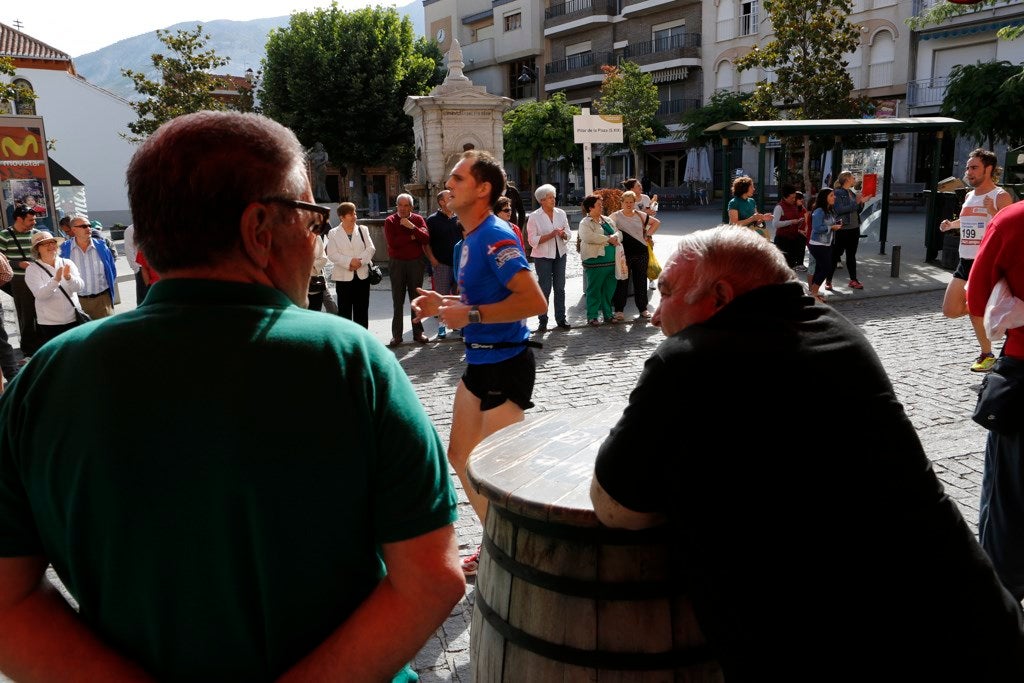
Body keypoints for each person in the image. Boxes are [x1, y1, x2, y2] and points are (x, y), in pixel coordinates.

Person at [0, 111, 465, 682]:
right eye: (311, 218)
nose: (316, 240)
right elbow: (432, 579)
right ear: (259, 229)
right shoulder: (350, 360)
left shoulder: (44, 379)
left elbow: (8, 605)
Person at [590, 225, 1024, 681]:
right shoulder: (840, 332)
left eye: (667, 291)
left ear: (719, 296)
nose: (656, 315)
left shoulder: (688, 359)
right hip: (973, 625)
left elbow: (616, 506)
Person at [411, 149, 547, 576]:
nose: (447, 185)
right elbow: (479, 301)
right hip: (478, 363)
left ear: (483, 189)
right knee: (460, 456)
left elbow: (532, 301)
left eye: (457, 179)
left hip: (507, 363)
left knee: (501, 472)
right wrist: (444, 304)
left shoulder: (497, 235)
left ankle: (520, 552)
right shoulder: (466, 240)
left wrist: (468, 315)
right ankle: (500, 544)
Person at [967, 199, 1024, 602]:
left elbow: (975, 298)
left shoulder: (1014, 221)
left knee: (1007, 502)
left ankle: (1003, 607)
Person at [941, 148, 1014, 372]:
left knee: (975, 308)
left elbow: (1012, 230)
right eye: (968, 168)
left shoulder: (1000, 196)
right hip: (965, 259)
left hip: (988, 262)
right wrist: (952, 225)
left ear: (989, 169)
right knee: (951, 309)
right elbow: (970, 222)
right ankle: (987, 311)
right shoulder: (969, 195)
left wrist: (994, 212)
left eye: (974, 168)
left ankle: (987, 353)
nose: (968, 172)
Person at [383, 193, 434, 346]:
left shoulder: (418, 220)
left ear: (412, 207)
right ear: (396, 206)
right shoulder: (390, 221)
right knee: (397, 300)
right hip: (397, 263)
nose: (403, 208)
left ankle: (418, 333)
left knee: (416, 300)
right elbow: (393, 243)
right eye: (400, 205)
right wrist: (413, 237)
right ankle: (397, 335)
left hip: (415, 263)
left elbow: (425, 238)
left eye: (406, 205)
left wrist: (412, 228)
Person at [24, 230, 84, 346]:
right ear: (37, 249)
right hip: (50, 323)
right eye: (45, 243)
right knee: (58, 357)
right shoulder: (32, 269)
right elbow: (40, 295)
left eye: (53, 242)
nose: (51, 246)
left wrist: (69, 278)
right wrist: (55, 280)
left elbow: (80, 287)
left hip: (74, 318)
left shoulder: (67, 262)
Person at [526, 184, 572, 333]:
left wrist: (563, 235)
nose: (553, 199)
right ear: (541, 200)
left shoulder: (561, 213)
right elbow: (532, 240)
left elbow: (569, 234)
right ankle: (543, 320)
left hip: (560, 254)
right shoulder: (534, 217)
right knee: (544, 289)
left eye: (553, 196)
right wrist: (551, 235)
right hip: (543, 256)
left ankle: (561, 319)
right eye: (550, 198)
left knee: (560, 288)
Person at [609, 190, 659, 321]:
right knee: (622, 282)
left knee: (641, 281)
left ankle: (643, 309)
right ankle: (619, 310)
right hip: (624, 254)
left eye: (631, 202)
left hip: (641, 253)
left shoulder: (639, 214)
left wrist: (647, 235)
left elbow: (656, 223)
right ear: (622, 203)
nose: (629, 204)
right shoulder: (615, 216)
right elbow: (606, 228)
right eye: (626, 202)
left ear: (635, 202)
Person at [0, 204, 42, 356]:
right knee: (26, 314)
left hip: (38, 278)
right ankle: (29, 351)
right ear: (19, 219)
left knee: (43, 312)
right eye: (31, 220)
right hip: (19, 281)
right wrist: (18, 264)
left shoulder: (37, 234)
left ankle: (44, 346)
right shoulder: (4, 236)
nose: (34, 222)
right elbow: (0, 262)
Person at [326, 202, 375, 328]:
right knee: (345, 312)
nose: (354, 216)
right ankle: (347, 342)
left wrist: (359, 262)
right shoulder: (333, 233)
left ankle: (362, 340)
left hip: (362, 277)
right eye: (350, 214)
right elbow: (332, 254)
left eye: (355, 213)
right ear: (342, 217)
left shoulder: (363, 229)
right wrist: (349, 262)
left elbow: (370, 249)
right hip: (343, 279)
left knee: (362, 311)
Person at [59, 214, 118, 320]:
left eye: (89, 225)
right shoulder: (64, 249)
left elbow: (112, 271)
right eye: (83, 226)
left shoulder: (102, 246)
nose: (88, 228)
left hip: (102, 301)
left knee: (106, 334)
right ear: (74, 230)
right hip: (76, 302)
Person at [578, 194, 622, 326]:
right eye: (599, 205)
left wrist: (615, 236)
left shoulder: (607, 220)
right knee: (594, 289)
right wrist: (609, 239)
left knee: (609, 290)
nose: (601, 206)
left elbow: (618, 232)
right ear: (590, 208)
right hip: (595, 261)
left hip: (611, 261)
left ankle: (608, 314)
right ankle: (592, 316)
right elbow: (588, 237)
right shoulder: (585, 223)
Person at [426, 190, 462, 339]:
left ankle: (455, 324)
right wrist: (432, 260)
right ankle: (441, 326)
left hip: (458, 263)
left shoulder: (459, 218)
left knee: (457, 296)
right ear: (441, 202)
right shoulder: (432, 220)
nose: (453, 198)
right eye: (450, 197)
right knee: (441, 297)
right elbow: (426, 243)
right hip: (441, 264)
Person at [807, 188, 843, 304]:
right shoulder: (819, 211)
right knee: (826, 268)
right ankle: (814, 293)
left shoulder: (829, 210)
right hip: (818, 244)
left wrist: (836, 224)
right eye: (832, 195)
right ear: (825, 198)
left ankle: (814, 292)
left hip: (827, 243)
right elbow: (817, 228)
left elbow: (829, 223)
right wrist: (831, 227)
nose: (834, 197)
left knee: (820, 268)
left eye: (834, 195)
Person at [831, 171, 864, 290]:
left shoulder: (851, 192)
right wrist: (856, 203)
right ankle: (828, 280)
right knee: (835, 255)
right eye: (852, 177)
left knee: (851, 256)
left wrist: (861, 202)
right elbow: (839, 210)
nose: (854, 179)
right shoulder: (838, 193)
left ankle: (853, 280)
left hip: (854, 228)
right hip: (842, 228)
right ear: (846, 179)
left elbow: (857, 210)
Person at [771, 183, 806, 270]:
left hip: (793, 239)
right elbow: (775, 224)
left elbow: (794, 221)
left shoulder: (794, 206)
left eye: (795, 197)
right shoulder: (779, 207)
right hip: (782, 240)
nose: (794, 200)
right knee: (783, 267)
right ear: (785, 197)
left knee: (791, 266)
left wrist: (798, 222)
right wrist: (791, 222)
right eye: (792, 198)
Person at [307, 215, 330, 312]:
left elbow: (323, 258)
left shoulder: (317, 238)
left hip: (315, 284)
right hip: (297, 286)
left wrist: (308, 265)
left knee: (316, 311)